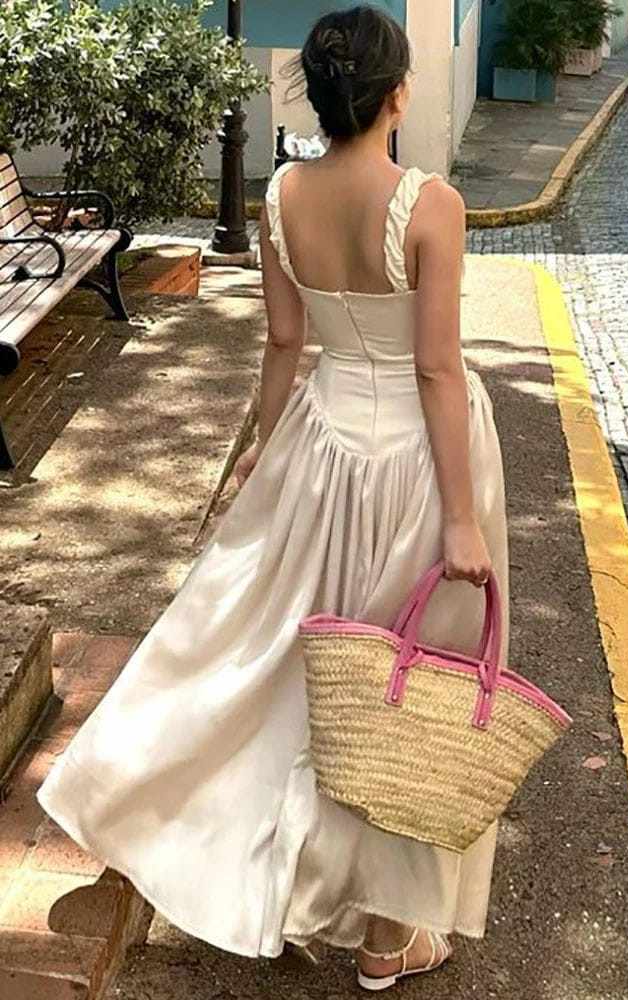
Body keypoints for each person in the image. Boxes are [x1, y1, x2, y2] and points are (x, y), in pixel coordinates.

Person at [36, 4, 510, 991]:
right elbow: (434, 368)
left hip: (321, 441)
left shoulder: (281, 195)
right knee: (404, 685)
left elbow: (284, 341)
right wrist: (462, 518)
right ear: (397, 95)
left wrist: (261, 447)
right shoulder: (432, 204)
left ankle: (200, 823)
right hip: (419, 464)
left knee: (277, 658)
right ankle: (386, 933)